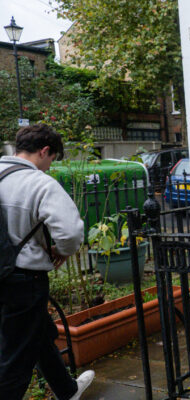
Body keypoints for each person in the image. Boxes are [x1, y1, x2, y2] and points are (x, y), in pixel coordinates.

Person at [0, 124, 94, 400]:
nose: (50, 167)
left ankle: (67, 390)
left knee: (39, 333)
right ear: (44, 151)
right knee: (15, 360)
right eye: (52, 159)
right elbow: (72, 232)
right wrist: (62, 251)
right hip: (24, 280)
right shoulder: (38, 183)